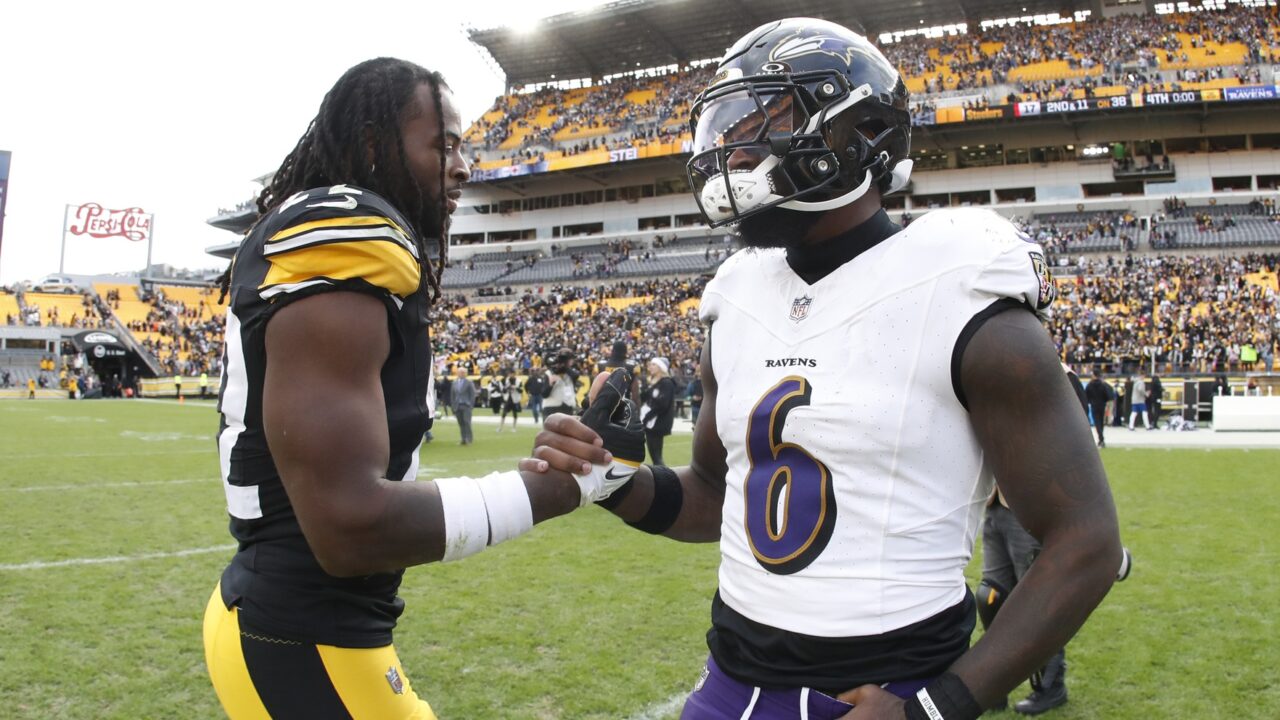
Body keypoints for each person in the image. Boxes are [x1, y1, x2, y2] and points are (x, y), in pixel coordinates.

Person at [532, 20, 1121, 720]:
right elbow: (721, 495)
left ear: (856, 131)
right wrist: (616, 481)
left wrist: (934, 708)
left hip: (887, 692)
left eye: (765, 117)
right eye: (731, 122)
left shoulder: (961, 290)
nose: (733, 145)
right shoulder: (737, 297)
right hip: (730, 682)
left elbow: (1087, 540)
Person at [203, 58, 612, 720]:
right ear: (373, 146)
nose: (463, 165)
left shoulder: (352, 244)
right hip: (304, 639)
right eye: (443, 144)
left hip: (299, 627)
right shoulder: (351, 235)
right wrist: (547, 491)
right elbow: (348, 527)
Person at [640, 356, 676, 465]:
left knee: (656, 457)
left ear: (661, 367)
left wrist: (646, 418)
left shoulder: (666, 383)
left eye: (653, 364)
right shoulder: (655, 382)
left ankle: (665, 479)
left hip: (657, 424)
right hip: (652, 423)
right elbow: (643, 398)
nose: (650, 367)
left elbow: (662, 405)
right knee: (655, 457)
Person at [543, 347, 580, 417]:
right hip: (552, 408)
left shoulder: (570, 374)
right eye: (571, 359)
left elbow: (576, 376)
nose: (572, 361)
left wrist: (564, 366)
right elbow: (544, 394)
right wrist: (551, 385)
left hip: (567, 407)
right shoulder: (549, 373)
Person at [1084, 370, 1115, 448]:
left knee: (1097, 422)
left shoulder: (1090, 385)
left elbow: (1086, 395)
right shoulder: (1103, 385)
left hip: (1094, 405)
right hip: (1102, 405)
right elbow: (1108, 395)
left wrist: (1090, 401)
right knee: (1101, 422)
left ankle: (1101, 438)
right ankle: (1101, 439)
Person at [452, 364, 477, 445]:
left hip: (466, 405)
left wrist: (471, 405)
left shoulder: (469, 382)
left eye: (463, 372)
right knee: (461, 423)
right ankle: (463, 439)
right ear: (457, 373)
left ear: (465, 373)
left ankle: (469, 439)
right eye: (460, 372)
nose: (462, 374)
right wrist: (453, 406)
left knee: (467, 422)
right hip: (457, 406)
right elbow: (452, 395)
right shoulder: (454, 383)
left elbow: (473, 395)